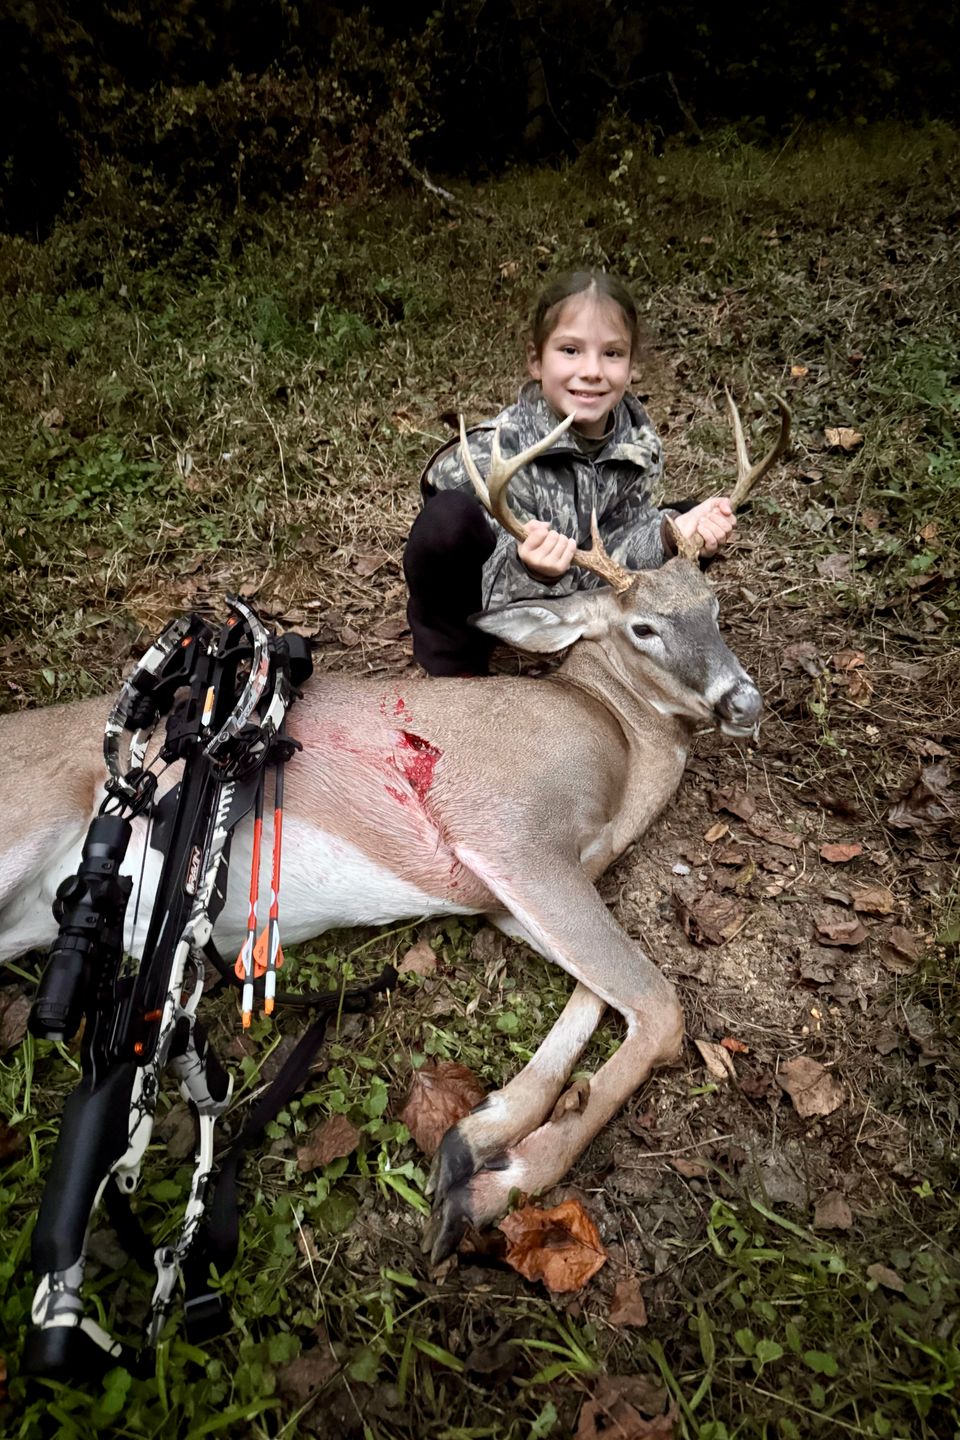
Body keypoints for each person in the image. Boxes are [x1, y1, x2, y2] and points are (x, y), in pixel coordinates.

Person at [403, 270, 735, 676]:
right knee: (445, 523)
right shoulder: (493, 455)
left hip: (578, 598)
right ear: (536, 361)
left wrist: (671, 536)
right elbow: (494, 593)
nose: (593, 370)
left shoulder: (637, 447)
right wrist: (531, 570)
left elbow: (621, 547)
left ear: (631, 366)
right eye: (571, 350)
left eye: (612, 354)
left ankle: (639, 654)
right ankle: (454, 671)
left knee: (684, 516)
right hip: (493, 605)